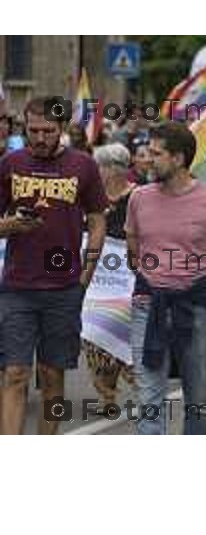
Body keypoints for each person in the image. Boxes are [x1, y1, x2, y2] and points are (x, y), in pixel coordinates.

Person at [0, 97, 108, 435]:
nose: (40, 137)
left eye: (48, 131)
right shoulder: (10, 163)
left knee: (51, 376)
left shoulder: (84, 166)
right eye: (33, 130)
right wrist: (8, 227)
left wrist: (87, 273)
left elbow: (97, 220)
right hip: (17, 287)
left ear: (62, 129)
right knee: (14, 373)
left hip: (64, 288)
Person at [125, 121, 206, 435]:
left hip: (194, 306)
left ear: (179, 158)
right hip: (148, 305)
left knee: (197, 397)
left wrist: (197, 290)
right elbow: (135, 252)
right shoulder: (139, 198)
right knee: (148, 399)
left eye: (156, 154)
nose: (147, 160)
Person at [82, 143, 137, 414]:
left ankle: (141, 385)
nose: (95, 172)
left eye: (98, 167)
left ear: (112, 169)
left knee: (118, 329)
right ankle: (107, 395)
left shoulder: (137, 198)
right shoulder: (92, 199)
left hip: (127, 281)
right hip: (96, 280)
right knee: (92, 333)